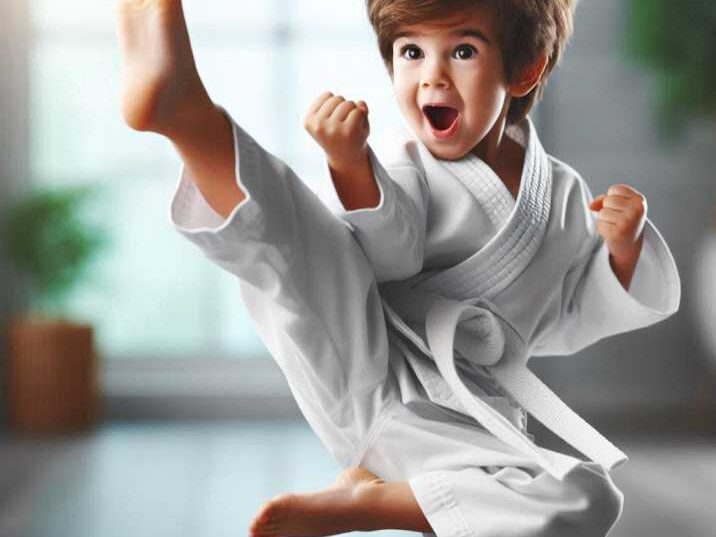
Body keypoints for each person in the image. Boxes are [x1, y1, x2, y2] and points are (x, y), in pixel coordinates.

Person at [116, 1, 681, 536]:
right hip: (363, 361)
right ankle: (188, 116)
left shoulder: (559, 193)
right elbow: (391, 258)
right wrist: (349, 165)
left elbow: (569, 313)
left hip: (459, 422)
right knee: (306, 244)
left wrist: (623, 249)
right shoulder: (403, 163)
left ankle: (377, 499)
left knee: (589, 493)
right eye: (412, 52)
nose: (432, 77)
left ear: (524, 70)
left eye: (462, 51)